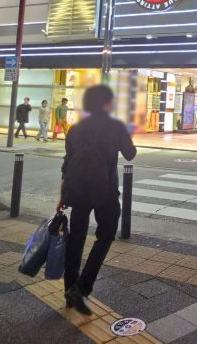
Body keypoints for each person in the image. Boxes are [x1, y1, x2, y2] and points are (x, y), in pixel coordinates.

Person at [57, 85, 136, 316]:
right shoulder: (115, 127)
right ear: (106, 103)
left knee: (76, 237)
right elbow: (130, 154)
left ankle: (70, 290)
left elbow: (68, 162)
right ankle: (81, 288)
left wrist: (63, 195)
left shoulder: (76, 128)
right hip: (106, 192)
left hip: (78, 191)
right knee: (106, 235)